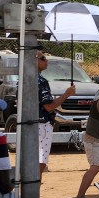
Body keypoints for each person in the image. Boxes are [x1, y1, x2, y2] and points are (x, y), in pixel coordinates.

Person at [36, 46, 76, 177]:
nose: (46, 60)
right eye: (43, 58)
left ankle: (31, 194)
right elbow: (48, 106)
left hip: (29, 123)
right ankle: (33, 195)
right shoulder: (41, 81)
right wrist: (66, 94)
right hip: (42, 124)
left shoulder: (24, 79)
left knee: (33, 160)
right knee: (41, 161)